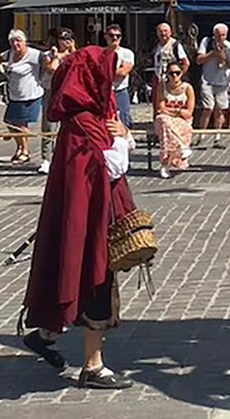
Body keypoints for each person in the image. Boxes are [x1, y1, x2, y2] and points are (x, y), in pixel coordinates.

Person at [18, 46, 142, 389]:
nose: (109, 78)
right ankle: (93, 366)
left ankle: (44, 334)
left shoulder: (81, 118)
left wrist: (120, 135)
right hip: (91, 222)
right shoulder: (87, 121)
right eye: (104, 72)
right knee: (93, 276)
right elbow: (113, 166)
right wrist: (123, 139)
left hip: (80, 217)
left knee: (67, 265)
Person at [0, 29, 46, 166]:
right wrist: (0, 67)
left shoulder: (34, 54)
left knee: (20, 125)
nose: (15, 44)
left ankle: (25, 151)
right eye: (12, 41)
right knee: (9, 122)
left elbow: (48, 62)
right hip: (14, 95)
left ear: (24, 41)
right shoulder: (9, 53)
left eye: (18, 41)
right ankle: (20, 147)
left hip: (30, 95)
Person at [39, 29, 76, 175]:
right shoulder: (48, 54)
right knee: (48, 126)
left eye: (68, 38)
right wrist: (56, 56)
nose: (65, 41)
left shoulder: (74, 55)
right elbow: (52, 69)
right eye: (62, 38)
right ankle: (46, 159)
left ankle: (66, 158)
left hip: (69, 92)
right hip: (52, 92)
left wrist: (72, 49)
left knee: (68, 126)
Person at [153, 60, 195, 179]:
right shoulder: (162, 86)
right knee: (164, 123)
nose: (174, 76)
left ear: (182, 73)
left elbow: (188, 113)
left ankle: (165, 164)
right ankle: (181, 147)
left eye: (177, 73)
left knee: (168, 129)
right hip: (165, 119)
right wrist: (178, 111)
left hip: (181, 120)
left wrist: (173, 111)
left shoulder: (188, 88)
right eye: (171, 73)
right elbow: (160, 108)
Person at [197, 23, 230, 145]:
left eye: (223, 35)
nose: (221, 37)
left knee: (220, 110)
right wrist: (213, 53)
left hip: (221, 81)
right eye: (218, 35)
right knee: (208, 107)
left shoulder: (228, 46)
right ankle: (201, 135)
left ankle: (217, 137)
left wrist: (224, 57)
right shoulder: (206, 42)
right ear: (214, 34)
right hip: (207, 80)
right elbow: (198, 60)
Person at [103, 25, 135, 130]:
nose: (115, 38)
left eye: (118, 35)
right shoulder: (100, 53)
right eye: (111, 35)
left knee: (123, 118)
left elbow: (123, 72)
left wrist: (105, 72)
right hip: (104, 91)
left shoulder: (127, 53)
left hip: (120, 90)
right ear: (106, 37)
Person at [151, 22, 189, 99]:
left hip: (171, 81)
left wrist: (178, 77)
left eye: (165, 31)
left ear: (170, 32)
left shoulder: (175, 45)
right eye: (160, 31)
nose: (163, 33)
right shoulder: (155, 45)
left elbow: (186, 63)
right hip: (158, 80)